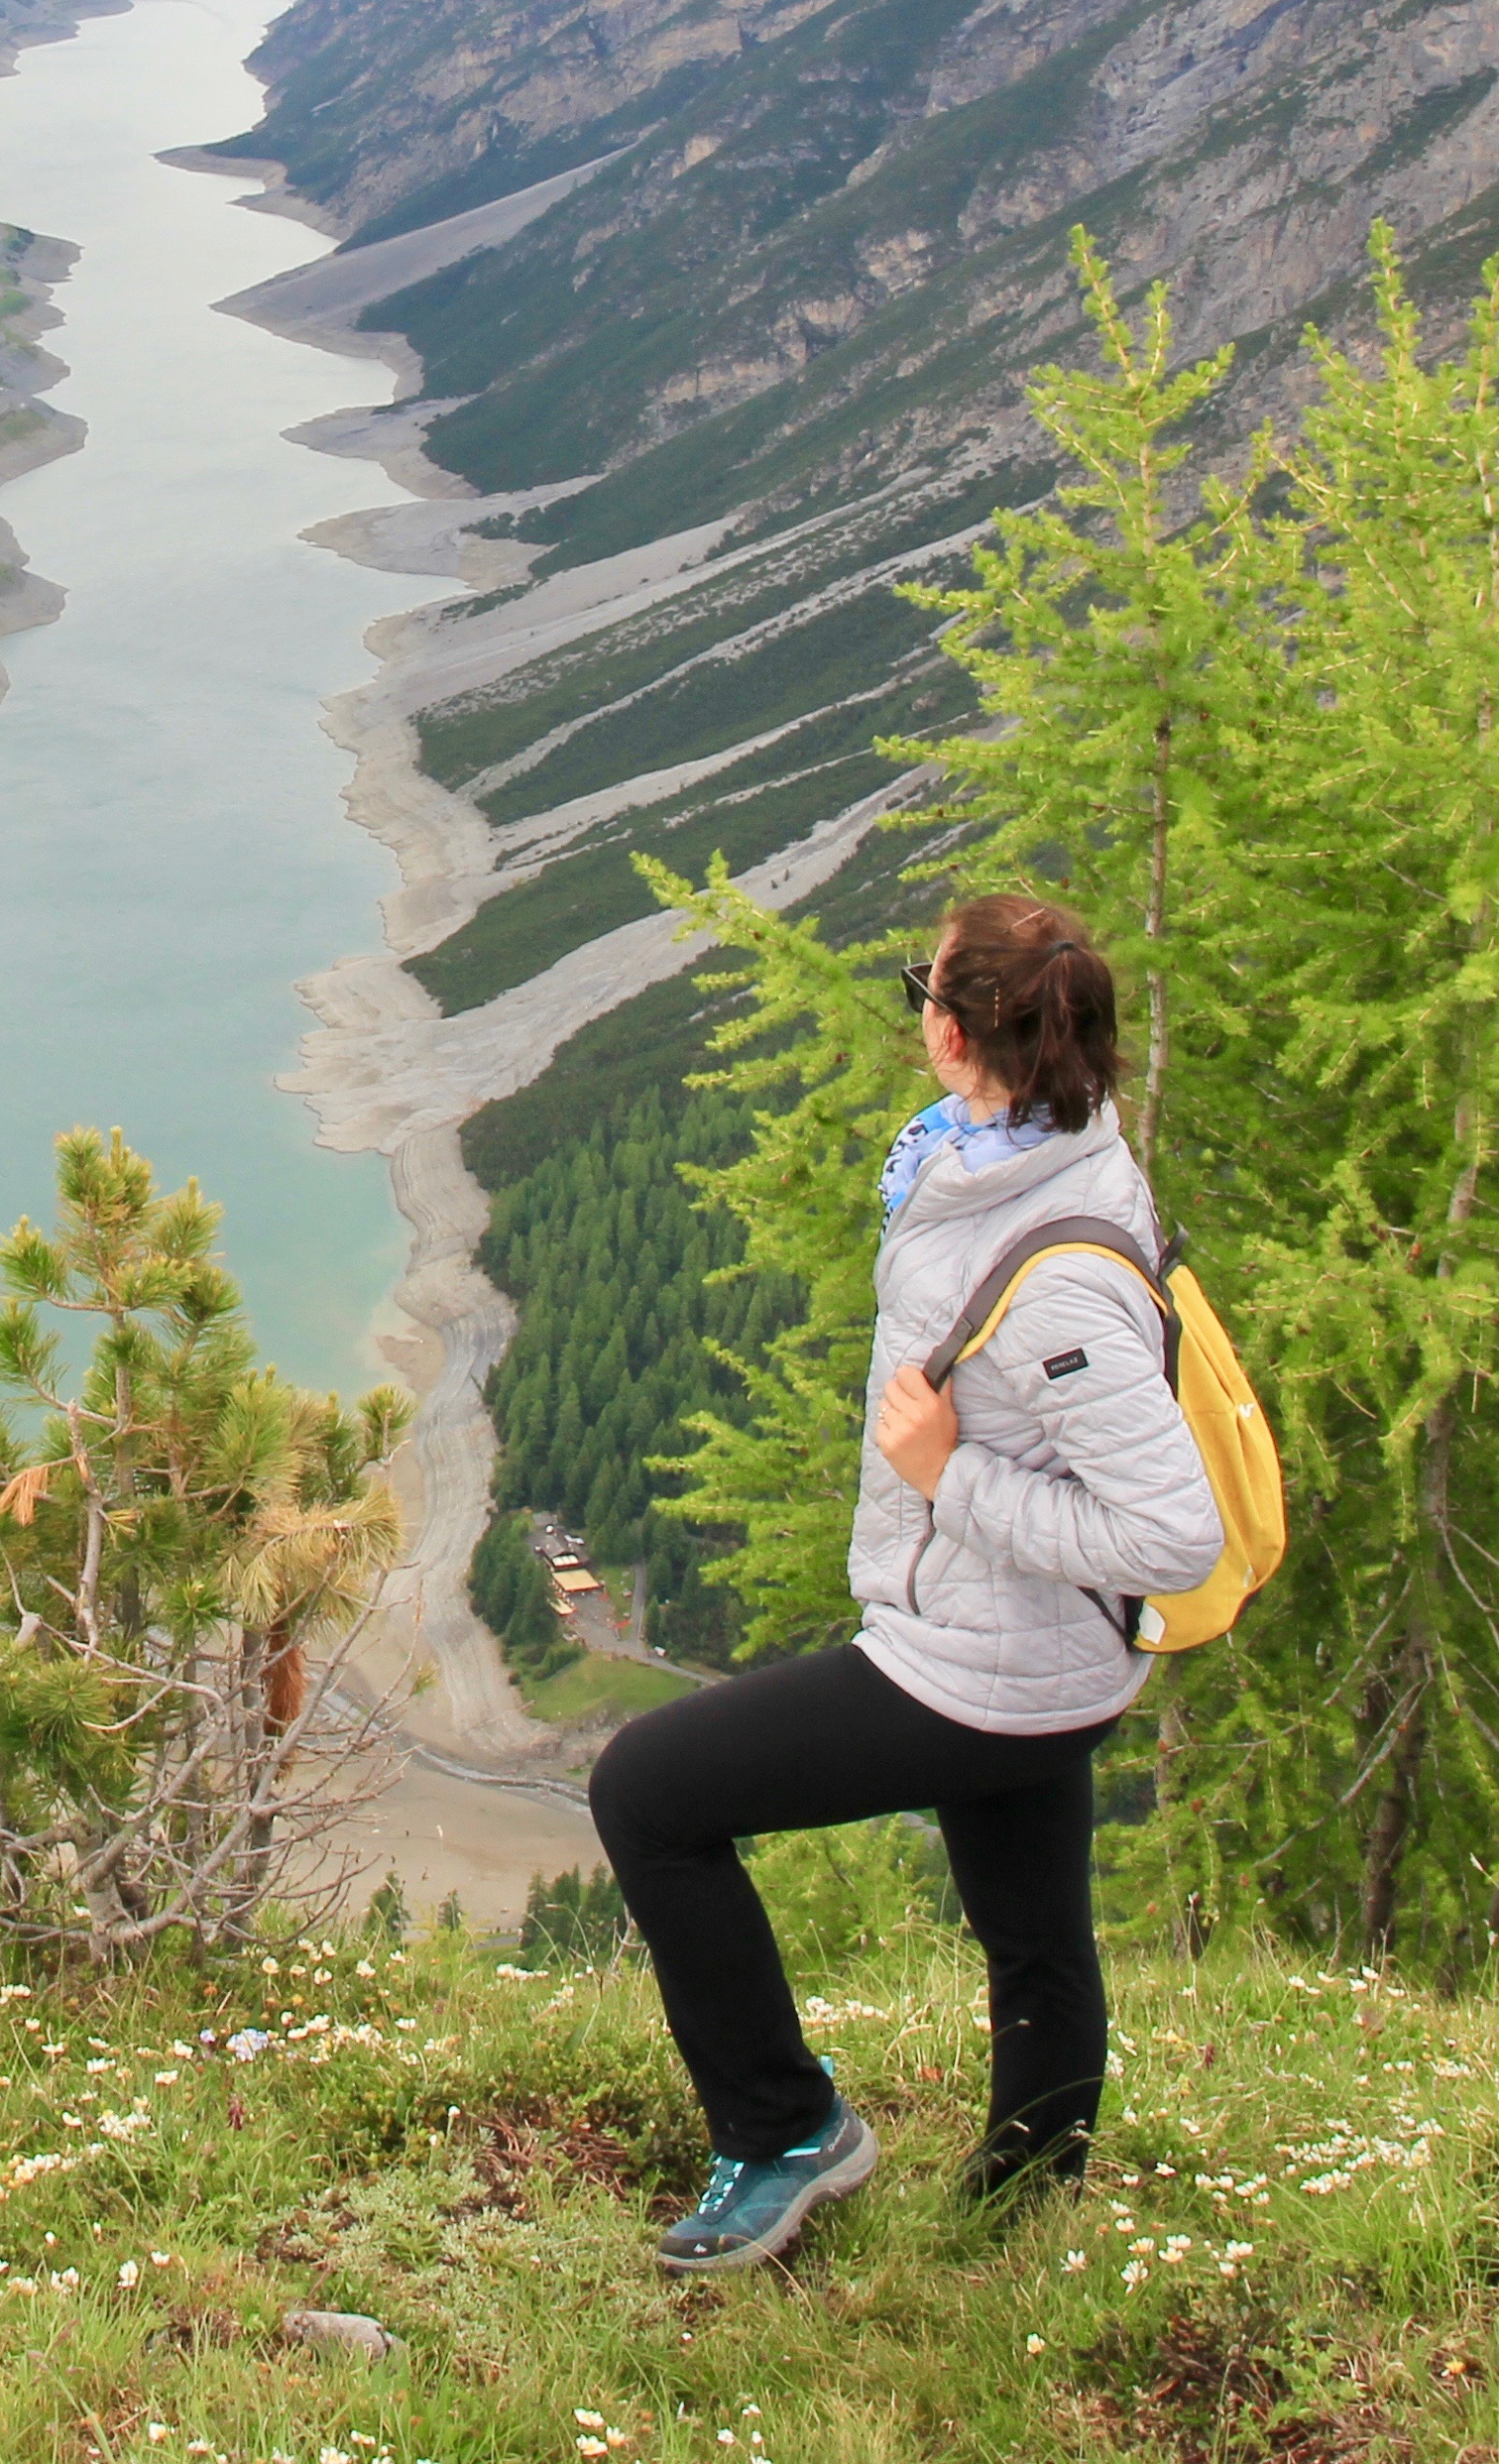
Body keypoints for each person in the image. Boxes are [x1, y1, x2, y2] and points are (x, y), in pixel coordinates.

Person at [586, 890, 1228, 2274]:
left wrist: (949, 1480)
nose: (915, 1008)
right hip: (1051, 1659)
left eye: (920, 986)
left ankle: (783, 2130)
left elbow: (1177, 1533)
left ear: (952, 1031)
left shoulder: (1045, 1268)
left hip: (982, 1665)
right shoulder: (1049, 1157)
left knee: (647, 1794)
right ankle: (1027, 2201)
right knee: (1034, 1929)